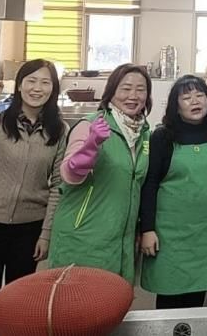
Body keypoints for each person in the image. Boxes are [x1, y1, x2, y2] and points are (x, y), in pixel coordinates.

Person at [139, 75, 207, 309]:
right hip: (169, 234)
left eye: (200, 95)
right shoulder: (162, 137)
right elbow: (149, 184)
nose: (195, 101)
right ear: (176, 105)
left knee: (196, 301)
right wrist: (147, 229)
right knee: (169, 302)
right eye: (186, 97)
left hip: (204, 233)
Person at [49, 64, 152, 283]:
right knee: (78, 299)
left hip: (121, 240)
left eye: (140, 89)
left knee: (114, 299)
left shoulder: (143, 134)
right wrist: (90, 148)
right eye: (126, 88)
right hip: (84, 236)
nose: (133, 96)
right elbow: (69, 174)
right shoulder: (90, 125)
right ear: (111, 91)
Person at [0, 60, 67, 296]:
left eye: (45, 82)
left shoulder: (59, 131)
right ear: (19, 85)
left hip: (30, 227)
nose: (37, 88)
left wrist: (46, 233)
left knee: (18, 297)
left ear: (53, 89)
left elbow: (59, 185)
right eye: (31, 81)